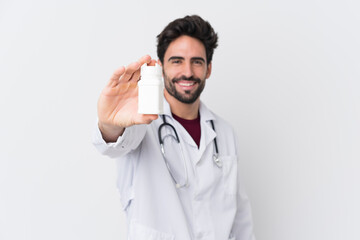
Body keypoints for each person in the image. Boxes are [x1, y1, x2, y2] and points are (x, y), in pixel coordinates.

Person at [93, 15, 255, 240]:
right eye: (177, 61)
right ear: (161, 67)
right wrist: (109, 122)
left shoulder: (224, 133)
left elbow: (240, 220)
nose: (187, 72)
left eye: (197, 61)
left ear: (208, 69)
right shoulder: (142, 126)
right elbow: (113, 142)